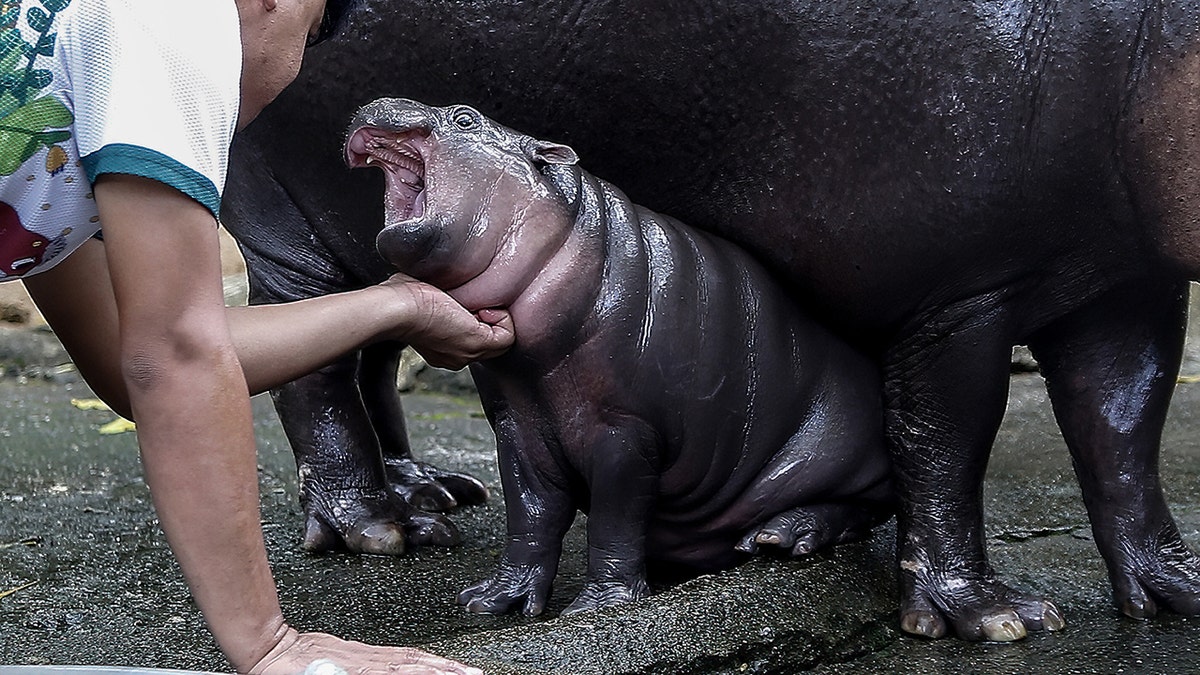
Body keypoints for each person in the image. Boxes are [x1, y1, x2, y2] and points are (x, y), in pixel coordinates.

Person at [1, 0, 510, 673]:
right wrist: (272, 645)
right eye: (310, 35)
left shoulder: (66, 100)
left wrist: (400, 305)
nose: (288, 78)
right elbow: (176, 356)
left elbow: (137, 358)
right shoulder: (180, 18)